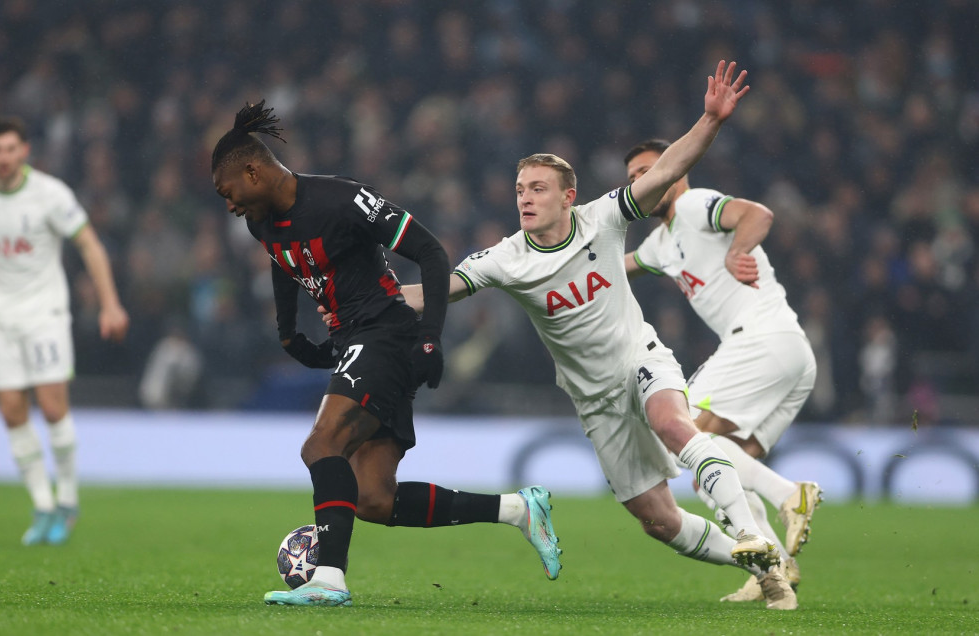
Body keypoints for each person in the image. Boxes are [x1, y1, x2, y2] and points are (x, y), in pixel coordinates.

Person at [390, 61, 797, 610]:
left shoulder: (602, 219)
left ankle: (751, 530)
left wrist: (710, 121)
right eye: (519, 190)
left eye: (538, 188)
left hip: (640, 359)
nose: (525, 198)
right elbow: (439, 291)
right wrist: (374, 299)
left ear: (568, 195)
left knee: (673, 423)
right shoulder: (505, 259)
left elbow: (664, 170)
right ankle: (763, 564)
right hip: (594, 399)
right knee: (657, 519)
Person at [210, 101, 561, 608]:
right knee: (373, 498)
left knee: (320, 445)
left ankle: (328, 579)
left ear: (252, 170)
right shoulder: (261, 222)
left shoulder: (342, 199)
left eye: (229, 193)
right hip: (354, 341)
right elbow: (282, 261)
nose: (230, 205)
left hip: (384, 334)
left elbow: (431, 252)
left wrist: (431, 336)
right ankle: (518, 509)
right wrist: (289, 334)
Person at [624, 138, 821, 602]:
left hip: (760, 338)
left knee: (685, 435)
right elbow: (617, 266)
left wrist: (740, 250)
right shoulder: (659, 243)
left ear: (676, 168)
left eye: (648, 170)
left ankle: (791, 495)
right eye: (632, 177)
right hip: (789, 353)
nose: (640, 182)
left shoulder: (694, 204)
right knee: (713, 470)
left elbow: (759, 215)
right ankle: (772, 565)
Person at [0, 116, 129, 545]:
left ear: (24, 152)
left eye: (11, 149)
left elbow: (88, 242)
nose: (4, 158)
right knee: (11, 412)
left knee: (53, 409)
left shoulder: (49, 194)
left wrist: (109, 302)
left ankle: (68, 500)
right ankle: (42, 506)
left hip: (44, 313)